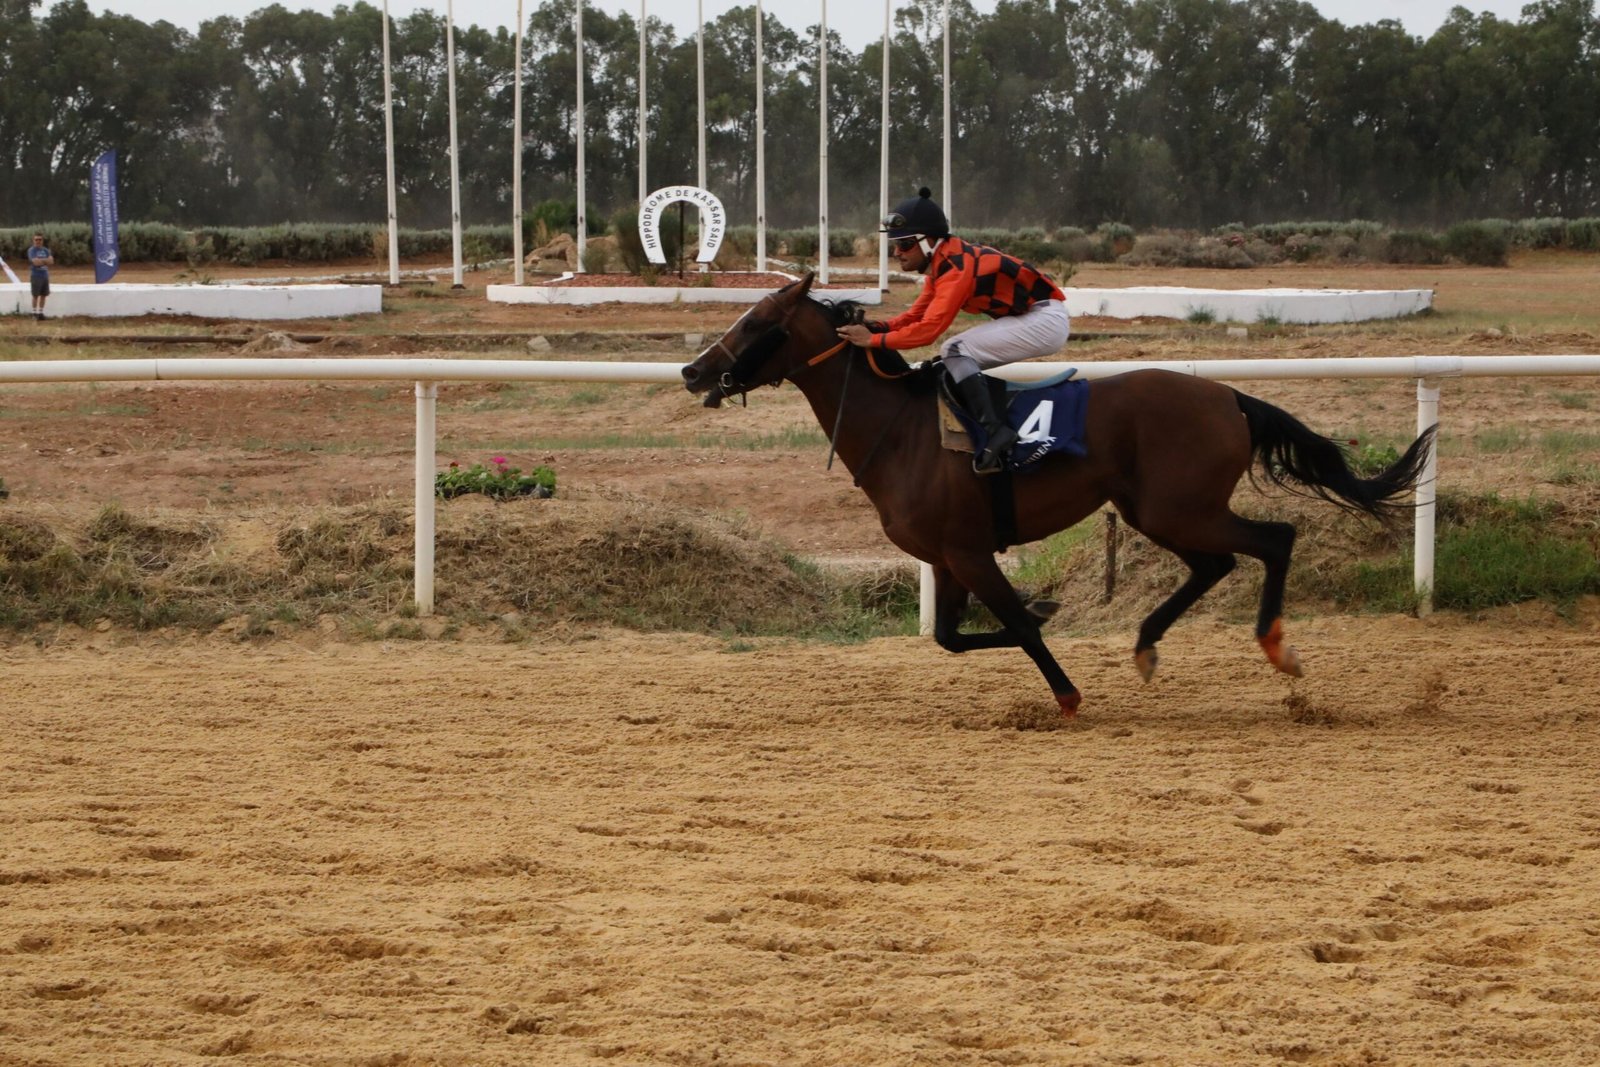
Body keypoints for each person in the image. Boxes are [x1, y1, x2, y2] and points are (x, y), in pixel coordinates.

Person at [835, 188, 1071, 474]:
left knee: (955, 350)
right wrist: (879, 327)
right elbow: (915, 315)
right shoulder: (943, 263)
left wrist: (873, 340)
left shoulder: (956, 269)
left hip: (1045, 320)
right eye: (895, 245)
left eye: (905, 244)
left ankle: (997, 433)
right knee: (949, 363)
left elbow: (928, 331)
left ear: (930, 242)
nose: (897, 252)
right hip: (1034, 317)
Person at [27, 233, 53, 321]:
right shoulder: (32, 250)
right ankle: (34, 313)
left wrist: (41, 261)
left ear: (42, 241)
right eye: (36, 239)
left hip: (45, 275)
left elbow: (51, 262)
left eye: (40, 239)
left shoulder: (46, 250)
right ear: (33, 240)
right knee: (35, 295)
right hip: (36, 275)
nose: (38, 241)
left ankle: (40, 313)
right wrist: (45, 261)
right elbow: (35, 262)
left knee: (44, 295)